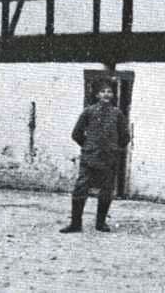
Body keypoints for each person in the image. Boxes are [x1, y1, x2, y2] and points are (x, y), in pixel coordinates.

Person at [59, 79, 131, 233]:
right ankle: (75, 224)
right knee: (80, 189)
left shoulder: (117, 114)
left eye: (109, 92)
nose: (106, 94)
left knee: (106, 191)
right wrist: (88, 146)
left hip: (109, 159)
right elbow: (76, 134)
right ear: (97, 95)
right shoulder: (88, 112)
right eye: (103, 91)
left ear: (113, 95)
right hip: (89, 158)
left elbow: (125, 137)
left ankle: (101, 223)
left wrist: (114, 148)